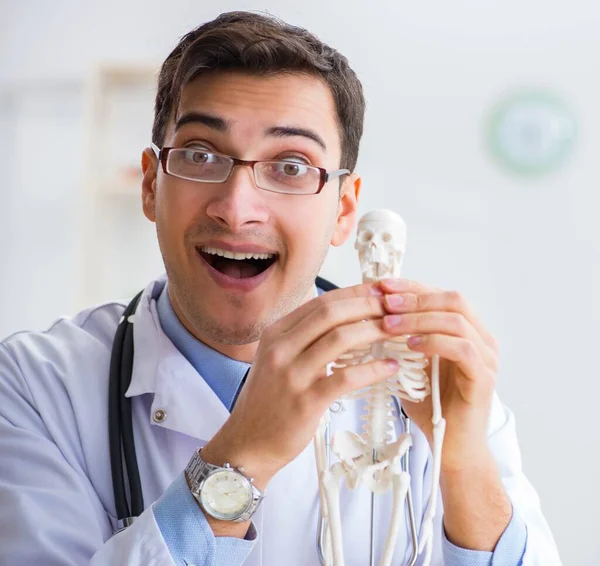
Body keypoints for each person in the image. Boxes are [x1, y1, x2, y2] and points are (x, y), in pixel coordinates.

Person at [0, 11, 561, 566]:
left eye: (292, 165)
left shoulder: (433, 391)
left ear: (343, 209)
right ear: (151, 185)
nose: (237, 208)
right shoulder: (34, 386)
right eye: (200, 155)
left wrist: (461, 460)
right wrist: (243, 455)